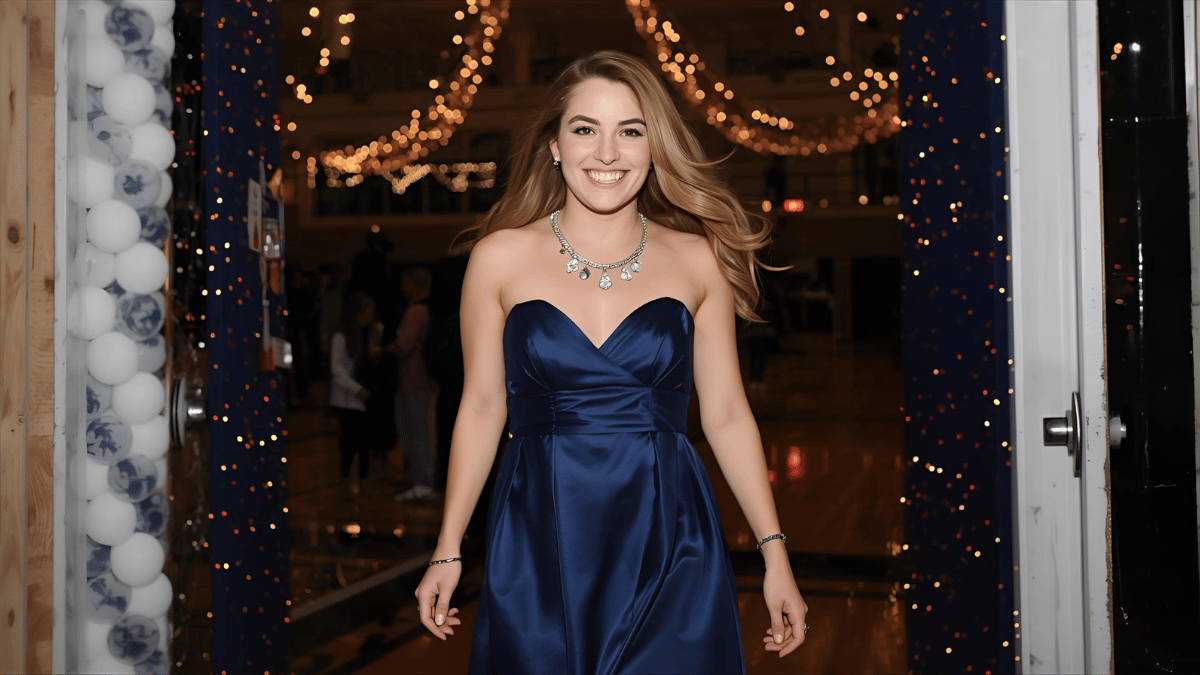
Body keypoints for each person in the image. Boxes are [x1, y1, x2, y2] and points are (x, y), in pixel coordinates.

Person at [414, 51, 809, 672]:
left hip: (668, 526)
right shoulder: (500, 258)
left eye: (630, 131)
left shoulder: (698, 260)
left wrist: (774, 554)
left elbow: (728, 413)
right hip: (537, 529)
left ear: (655, 148)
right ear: (552, 145)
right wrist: (447, 549)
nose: (607, 153)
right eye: (584, 129)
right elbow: (483, 406)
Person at [392, 266, 439, 502]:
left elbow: (404, 345)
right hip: (426, 379)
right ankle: (424, 480)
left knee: (416, 432)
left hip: (413, 378)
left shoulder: (416, 310)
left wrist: (383, 351)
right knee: (421, 431)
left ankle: (424, 482)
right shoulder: (433, 308)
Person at [329, 291, 384, 483]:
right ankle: (345, 475)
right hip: (348, 397)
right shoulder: (341, 336)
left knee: (365, 439)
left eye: (370, 314)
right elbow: (337, 370)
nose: (367, 318)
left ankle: (363, 475)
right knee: (350, 440)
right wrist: (356, 389)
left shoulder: (373, 332)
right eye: (364, 314)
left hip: (367, 392)